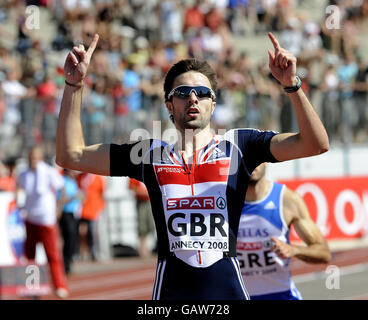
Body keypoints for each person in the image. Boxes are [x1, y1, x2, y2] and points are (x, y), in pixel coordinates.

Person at [56, 33, 329, 300]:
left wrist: (292, 85)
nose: (193, 98)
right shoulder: (149, 154)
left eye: (202, 92)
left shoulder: (239, 146)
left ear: (213, 103)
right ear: (169, 105)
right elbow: (71, 155)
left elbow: (314, 144)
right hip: (172, 293)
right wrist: (73, 85)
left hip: (229, 290)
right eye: (183, 92)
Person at [237, 163, 331, 300]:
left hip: (282, 295)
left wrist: (293, 250)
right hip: (241, 295)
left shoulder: (287, 200)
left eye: (256, 155)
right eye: (247, 156)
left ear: (266, 160)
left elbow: (324, 252)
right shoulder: (225, 201)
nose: (253, 162)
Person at [17, 146, 69, 299]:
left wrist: (59, 207)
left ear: (40, 158)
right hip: (31, 218)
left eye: (35, 157)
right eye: (31, 157)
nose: (33, 160)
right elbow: (19, 189)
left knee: (52, 254)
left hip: (46, 219)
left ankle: (60, 285)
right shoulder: (24, 174)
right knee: (30, 255)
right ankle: (32, 286)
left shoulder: (48, 172)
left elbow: (61, 189)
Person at [76, 172, 106, 261]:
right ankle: (83, 252)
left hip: (94, 210)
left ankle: (95, 253)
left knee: (94, 233)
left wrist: (101, 208)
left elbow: (102, 193)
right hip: (83, 210)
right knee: (82, 232)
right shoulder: (80, 177)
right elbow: (78, 191)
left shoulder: (97, 178)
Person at [58, 168, 81, 274]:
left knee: (72, 238)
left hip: (73, 213)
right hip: (65, 213)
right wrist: (72, 198)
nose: (75, 173)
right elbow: (60, 199)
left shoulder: (73, 182)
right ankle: (65, 263)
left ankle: (68, 261)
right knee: (68, 237)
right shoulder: (62, 181)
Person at [129, 178, 156, 258]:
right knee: (142, 226)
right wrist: (144, 192)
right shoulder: (137, 173)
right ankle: (142, 249)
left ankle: (149, 247)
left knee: (151, 225)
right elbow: (132, 187)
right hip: (141, 201)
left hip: (150, 201)